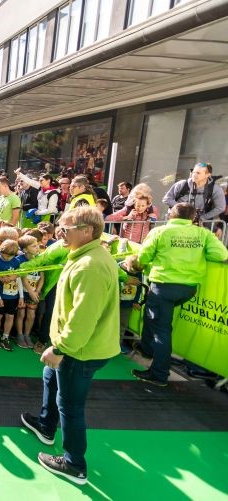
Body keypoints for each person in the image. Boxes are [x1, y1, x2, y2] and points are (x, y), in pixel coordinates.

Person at [20, 207, 120, 486]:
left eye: (66, 229)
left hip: (79, 351)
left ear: (87, 231)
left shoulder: (90, 265)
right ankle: (45, 426)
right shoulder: (86, 255)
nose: (59, 233)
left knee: (70, 406)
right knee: (50, 379)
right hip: (76, 346)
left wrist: (60, 349)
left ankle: (74, 464)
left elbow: (83, 317)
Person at [126, 203, 228, 386]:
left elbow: (143, 257)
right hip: (188, 289)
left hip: (164, 286)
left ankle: (159, 374)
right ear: (192, 218)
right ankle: (146, 349)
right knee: (153, 318)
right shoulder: (203, 233)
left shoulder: (160, 232)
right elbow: (220, 254)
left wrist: (137, 264)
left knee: (161, 330)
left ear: (171, 215)